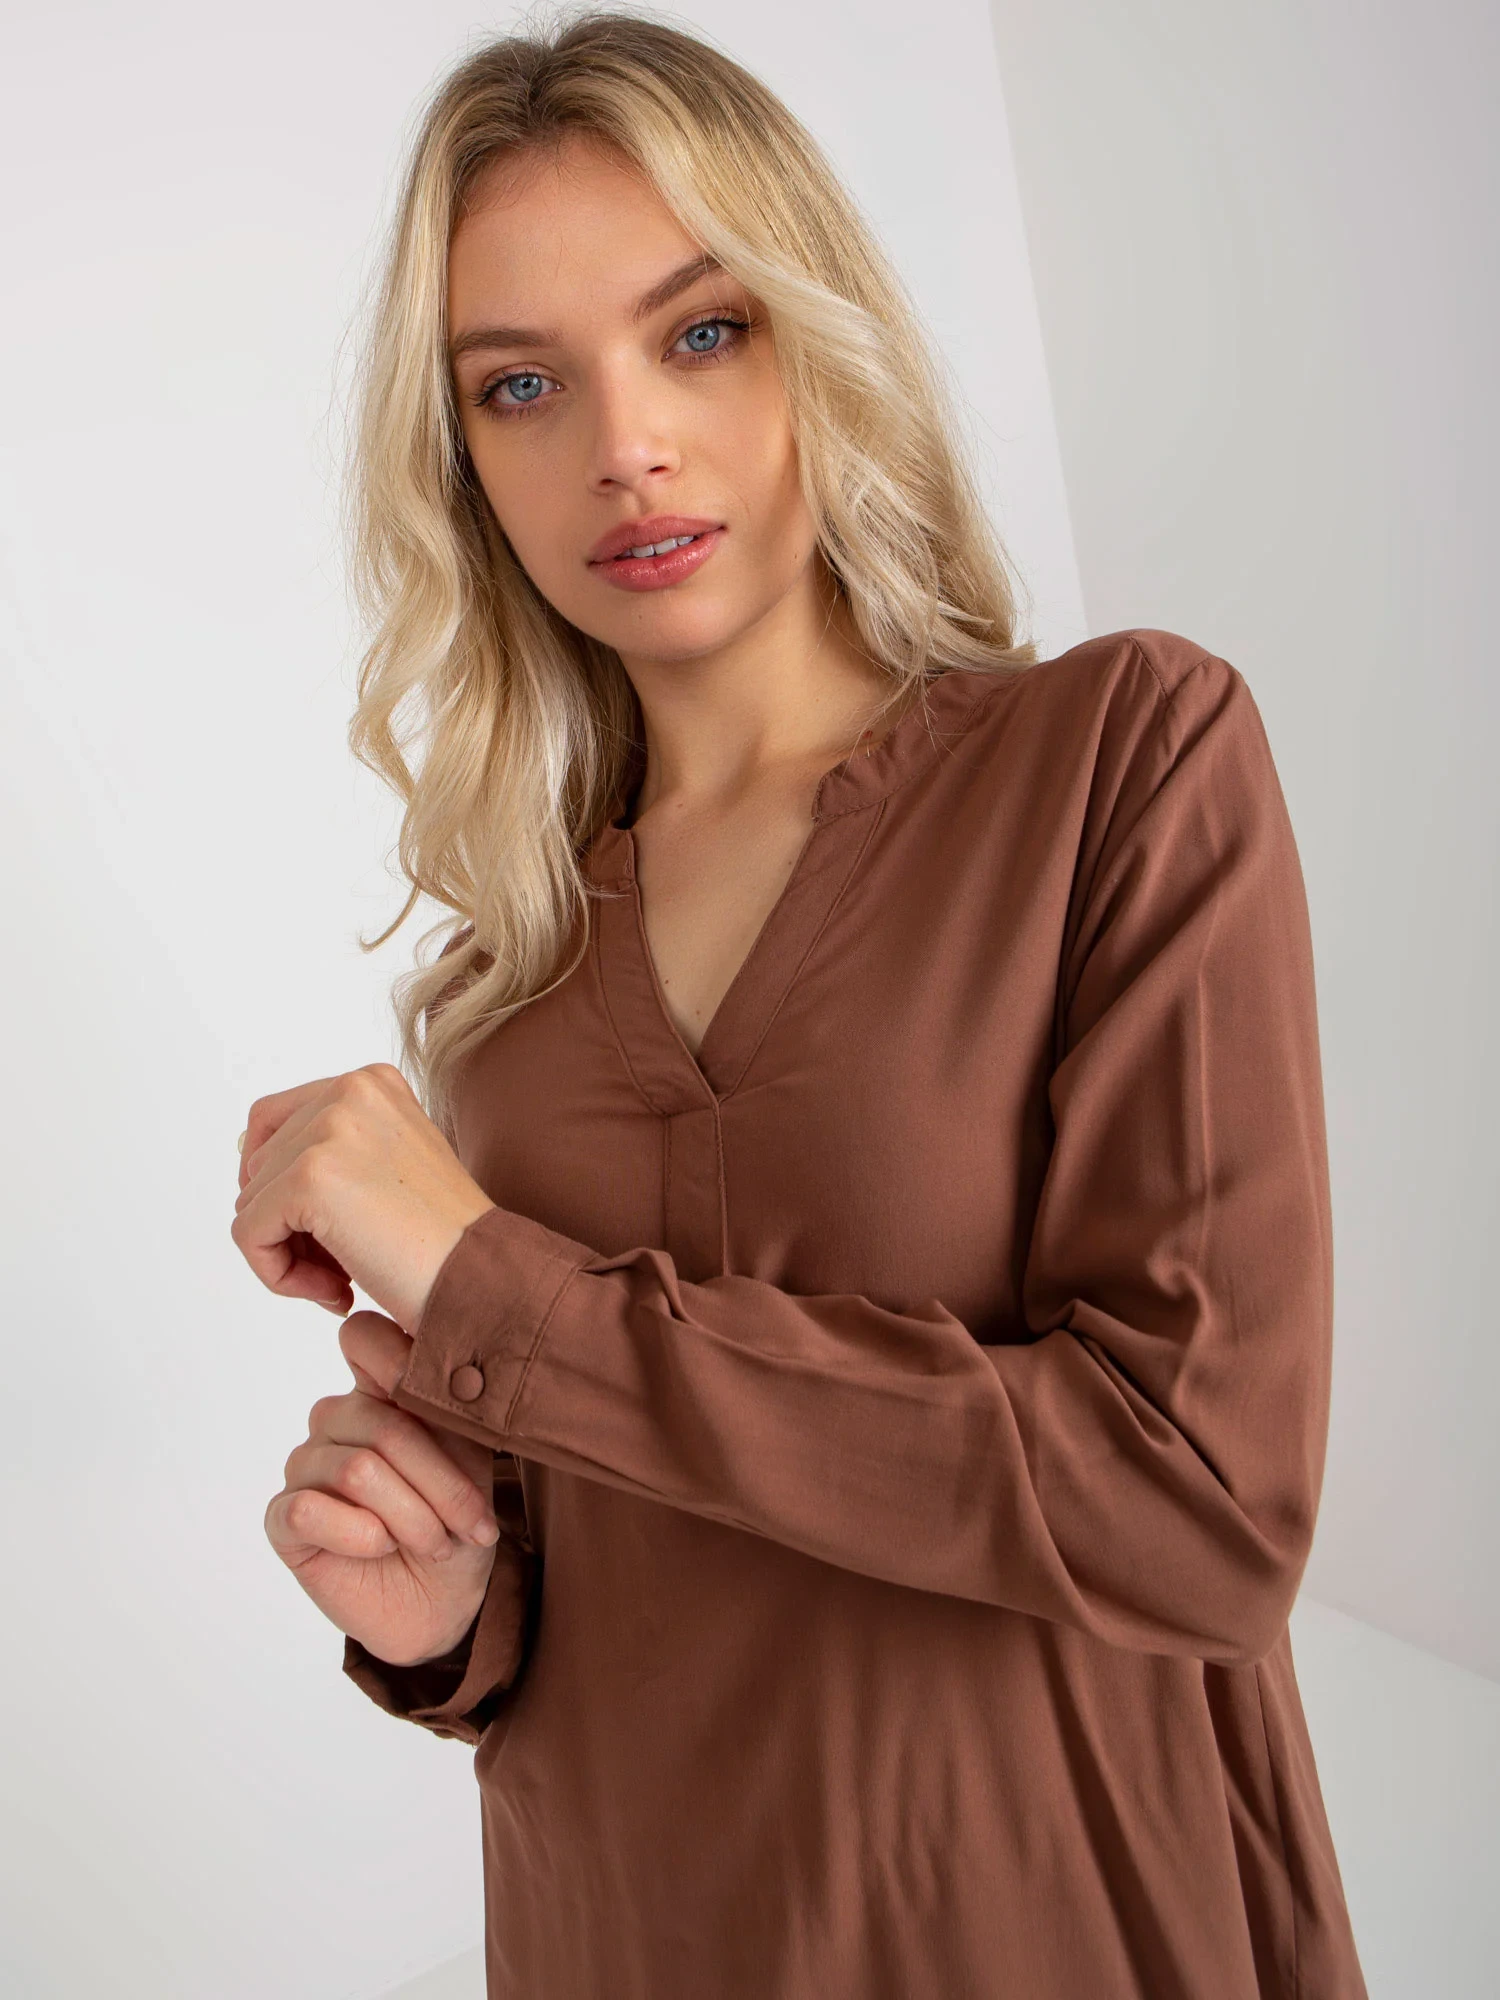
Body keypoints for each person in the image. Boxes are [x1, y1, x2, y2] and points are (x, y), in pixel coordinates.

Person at [232, 10, 1368, 1996]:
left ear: (820, 335)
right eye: (521, 384)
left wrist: (499, 1287)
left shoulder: (1122, 760)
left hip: (1048, 1934)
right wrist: (452, 1622)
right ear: (463, 461)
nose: (625, 446)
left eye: (700, 330)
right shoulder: (503, 990)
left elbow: (1198, 1508)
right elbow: (617, 1562)